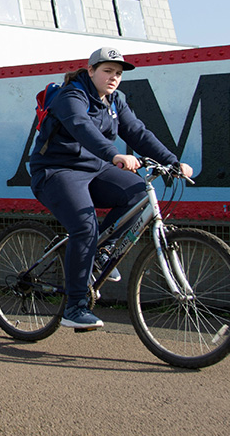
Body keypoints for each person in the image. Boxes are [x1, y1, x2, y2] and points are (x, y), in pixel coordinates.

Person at [28, 46, 192, 330]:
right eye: (107, 71)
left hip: (95, 168)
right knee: (84, 226)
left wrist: (172, 162)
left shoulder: (116, 101)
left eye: (118, 73)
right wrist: (114, 154)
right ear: (91, 70)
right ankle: (75, 307)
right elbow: (82, 127)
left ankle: (99, 252)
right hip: (56, 171)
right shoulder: (72, 96)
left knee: (138, 193)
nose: (114, 77)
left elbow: (138, 133)